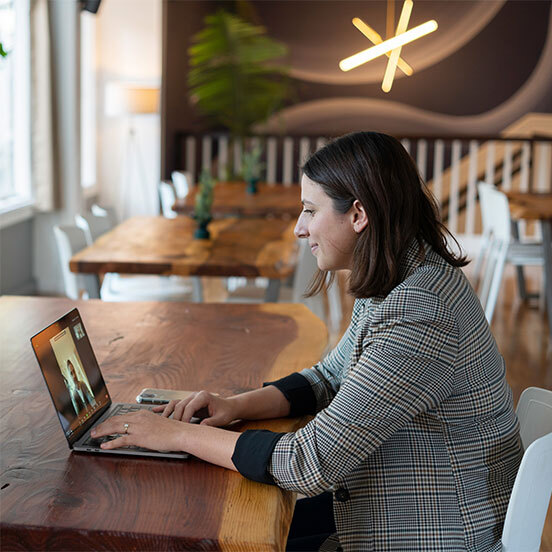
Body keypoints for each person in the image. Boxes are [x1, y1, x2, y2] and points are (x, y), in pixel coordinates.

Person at [92, 132, 522, 551]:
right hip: (395, 505)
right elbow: (328, 378)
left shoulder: (421, 310)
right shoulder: (403, 277)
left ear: (358, 214)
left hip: (435, 533)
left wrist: (174, 436)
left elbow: (308, 462)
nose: (299, 228)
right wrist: (234, 405)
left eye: (310, 210)